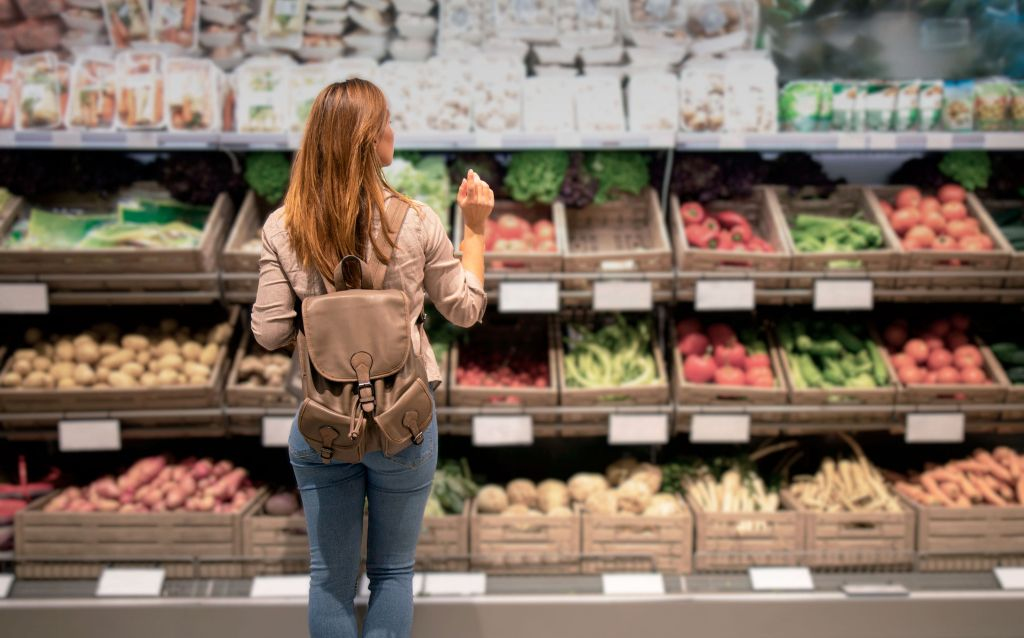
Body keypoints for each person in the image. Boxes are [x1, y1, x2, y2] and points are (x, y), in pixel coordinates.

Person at [250, 78, 493, 638]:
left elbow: (268, 330)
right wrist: (475, 230)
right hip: (403, 422)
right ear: (367, 141)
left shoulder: (283, 227)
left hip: (323, 425)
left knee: (329, 580)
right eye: (384, 121)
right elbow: (464, 308)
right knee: (391, 573)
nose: (392, 130)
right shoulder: (417, 222)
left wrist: (320, 325)